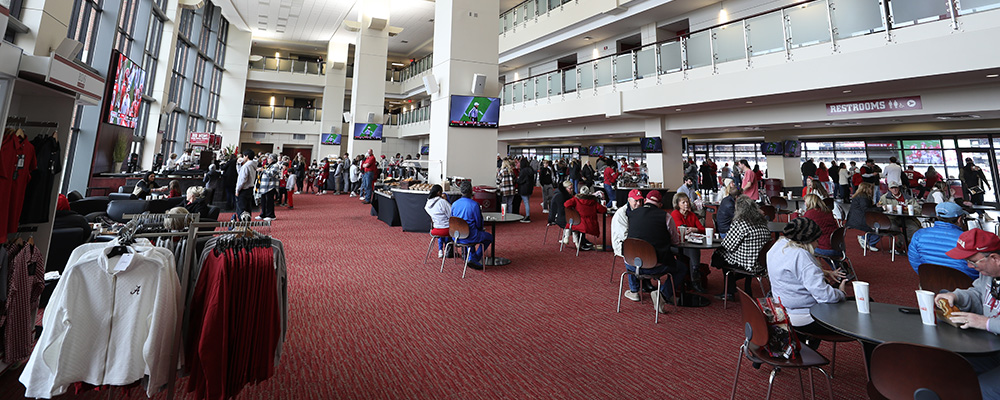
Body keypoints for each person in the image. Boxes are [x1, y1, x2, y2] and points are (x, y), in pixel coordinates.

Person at [935, 228, 1000, 397]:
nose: (969, 266)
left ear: (994, 258)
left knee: (985, 387)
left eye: (972, 261)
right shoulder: (988, 274)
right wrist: (955, 296)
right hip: (993, 346)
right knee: (948, 364)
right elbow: (978, 294)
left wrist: (984, 322)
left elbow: (984, 320)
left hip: (993, 345)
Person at [767, 217, 848, 347]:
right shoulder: (801, 256)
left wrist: (824, 273)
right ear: (807, 241)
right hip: (805, 318)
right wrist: (841, 293)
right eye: (816, 241)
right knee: (862, 307)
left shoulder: (777, 246)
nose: (818, 245)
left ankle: (807, 348)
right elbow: (825, 297)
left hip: (782, 311)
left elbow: (793, 274)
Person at [622, 190, 687, 313]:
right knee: (681, 267)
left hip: (632, 263)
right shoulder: (665, 217)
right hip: (654, 265)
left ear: (645, 200)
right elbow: (675, 241)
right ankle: (663, 294)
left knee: (634, 252)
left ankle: (635, 290)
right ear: (661, 205)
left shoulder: (632, 214)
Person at [712, 195, 771, 301]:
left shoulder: (741, 223)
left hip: (747, 264)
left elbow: (728, 245)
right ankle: (740, 285)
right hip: (761, 264)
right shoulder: (763, 223)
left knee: (720, 256)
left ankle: (729, 291)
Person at [909, 202, 977, 279]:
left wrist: (927, 277)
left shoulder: (919, 235)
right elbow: (975, 268)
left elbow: (915, 262)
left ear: (937, 216)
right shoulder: (969, 239)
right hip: (963, 285)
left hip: (930, 283)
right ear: (959, 219)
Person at [451, 182, 493, 269]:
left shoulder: (454, 204)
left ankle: (471, 256)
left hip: (456, 236)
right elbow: (479, 223)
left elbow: (452, 220)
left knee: (473, 234)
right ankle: (475, 258)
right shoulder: (474, 205)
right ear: (471, 191)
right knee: (489, 237)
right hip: (471, 236)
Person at [671, 192, 706, 293]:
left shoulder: (691, 215)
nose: (686, 204)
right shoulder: (675, 214)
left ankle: (694, 278)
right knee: (693, 250)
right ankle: (695, 280)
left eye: (687, 202)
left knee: (693, 249)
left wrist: (693, 229)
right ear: (677, 204)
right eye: (683, 202)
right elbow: (681, 229)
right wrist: (693, 229)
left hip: (689, 243)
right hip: (676, 244)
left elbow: (702, 229)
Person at [563, 186, 606, 251]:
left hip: (577, 223)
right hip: (591, 224)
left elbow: (566, 204)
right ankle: (583, 243)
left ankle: (580, 242)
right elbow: (603, 210)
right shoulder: (593, 201)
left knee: (578, 226)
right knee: (583, 226)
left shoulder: (576, 199)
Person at [803, 194, 840, 267]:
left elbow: (802, 228)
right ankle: (838, 267)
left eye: (805, 201)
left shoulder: (809, 214)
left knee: (805, 247)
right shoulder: (828, 211)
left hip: (826, 248)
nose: (804, 203)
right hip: (838, 246)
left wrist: (795, 215)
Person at [847, 182, 884, 252]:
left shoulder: (859, 196)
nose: (872, 190)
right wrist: (881, 209)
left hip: (855, 219)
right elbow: (866, 209)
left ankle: (867, 240)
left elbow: (865, 208)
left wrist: (875, 206)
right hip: (861, 219)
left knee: (878, 226)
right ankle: (868, 241)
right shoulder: (864, 197)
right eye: (870, 189)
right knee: (881, 226)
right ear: (867, 189)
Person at [612, 189, 645, 259]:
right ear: (629, 200)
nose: (639, 203)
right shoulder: (621, 214)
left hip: (637, 241)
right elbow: (624, 236)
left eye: (640, 201)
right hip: (622, 244)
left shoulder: (640, 210)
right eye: (636, 201)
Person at [424, 185, 452, 258]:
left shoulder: (428, 203)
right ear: (439, 192)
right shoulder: (442, 202)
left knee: (442, 231)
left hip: (435, 228)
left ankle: (440, 250)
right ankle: (449, 250)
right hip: (446, 229)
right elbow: (451, 215)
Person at [256, 154, 280, 221]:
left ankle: (271, 215)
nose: (268, 160)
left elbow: (271, 174)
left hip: (271, 186)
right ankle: (263, 214)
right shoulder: (268, 165)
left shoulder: (275, 165)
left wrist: (262, 170)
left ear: (273, 159)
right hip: (264, 187)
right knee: (263, 201)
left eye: (269, 158)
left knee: (269, 201)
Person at [234, 150, 257, 219]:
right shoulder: (253, 164)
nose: (243, 158)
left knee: (242, 210)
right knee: (247, 209)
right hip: (250, 188)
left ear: (247, 156)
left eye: (244, 156)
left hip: (244, 189)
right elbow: (240, 173)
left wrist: (237, 190)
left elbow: (242, 179)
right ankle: (247, 226)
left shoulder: (246, 166)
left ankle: (242, 227)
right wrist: (238, 164)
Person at [516, 158, 535, 223]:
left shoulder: (523, 171)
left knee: (526, 202)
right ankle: (527, 215)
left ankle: (527, 216)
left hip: (523, 188)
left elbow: (520, 180)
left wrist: (516, 180)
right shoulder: (531, 170)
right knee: (527, 202)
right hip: (530, 188)